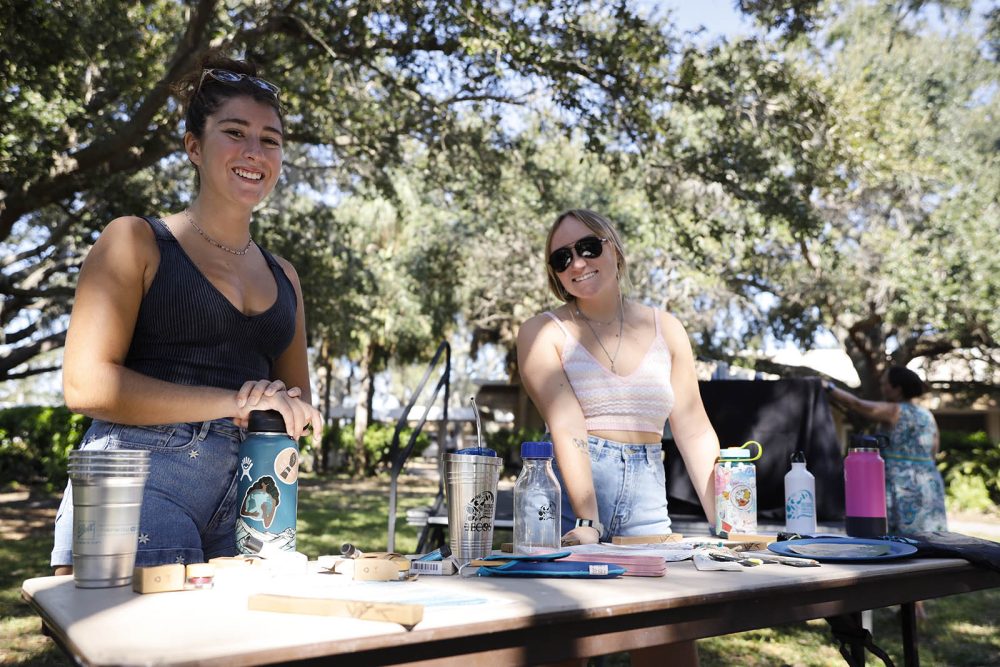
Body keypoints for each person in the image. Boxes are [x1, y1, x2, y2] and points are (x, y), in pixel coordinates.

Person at [51, 53, 323, 572]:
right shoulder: (134, 240)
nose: (254, 151)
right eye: (235, 132)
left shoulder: (285, 276)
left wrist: (282, 406)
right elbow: (85, 386)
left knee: (242, 652)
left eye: (270, 139)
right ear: (194, 147)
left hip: (255, 496)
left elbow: (297, 400)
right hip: (138, 479)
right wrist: (232, 401)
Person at [517, 209, 721, 666]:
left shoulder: (665, 328)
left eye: (588, 247)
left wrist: (728, 524)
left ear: (613, 247)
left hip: (648, 504)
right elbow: (565, 421)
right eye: (561, 257)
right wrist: (588, 520)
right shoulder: (543, 332)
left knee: (666, 646)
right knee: (566, 645)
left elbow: (692, 428)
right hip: (571, 499)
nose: (578, 263)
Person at [825, 367, 948, 534]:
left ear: (897, 388)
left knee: (900, 543)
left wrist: (828, 387)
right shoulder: (927, 415)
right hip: (929, 483)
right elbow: (934, 450)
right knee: (929, 539)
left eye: (885, 384)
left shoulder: (894, 411)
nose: (882, 388)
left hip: (901, 485)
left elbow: (856, 404)